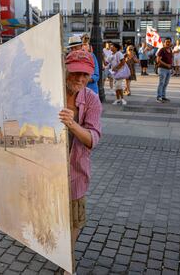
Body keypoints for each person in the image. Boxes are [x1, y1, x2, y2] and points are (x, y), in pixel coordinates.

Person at [59, 49, 101, 275]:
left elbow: (93, 139)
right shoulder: (51, 91)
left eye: (85, 75)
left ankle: (67, 262)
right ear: (65, 69)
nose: (80, 79)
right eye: (75, 73)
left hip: (75, 169)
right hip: (47, 167)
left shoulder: (91, 99)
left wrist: (72, 124)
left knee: (74, 220)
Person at [156, 38, 173, 103]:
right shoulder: (162, 50)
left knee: (165, 83)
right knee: (161, 83)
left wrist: (172, 67)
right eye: (167, 42)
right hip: (162, 69)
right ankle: (158, 97)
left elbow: (170, 59)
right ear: (164, 43)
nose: (168, 43)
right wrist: (166, 65)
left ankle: (163, 96)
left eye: (169, 42)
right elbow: (158, 60)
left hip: (168, 70)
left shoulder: (170, 50)